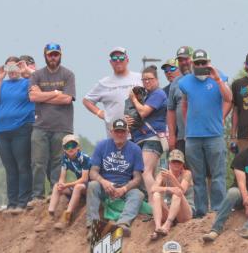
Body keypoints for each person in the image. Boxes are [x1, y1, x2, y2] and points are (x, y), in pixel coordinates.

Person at [178, 49, 232, 218]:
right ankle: (201, 212)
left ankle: (218, 209)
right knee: (198, 176)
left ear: (209, 62)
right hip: (193, 137)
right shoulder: (185, 82)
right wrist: (188, 127)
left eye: (204, 63)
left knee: (218, 175)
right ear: (192, 64)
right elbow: (185, 104)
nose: (201, 66)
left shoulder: (219, 77)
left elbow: (229, 98)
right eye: (198, 63)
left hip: (214, 135)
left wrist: (216, 79)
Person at [203, 124, 248, 241]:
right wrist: (247, 205)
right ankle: (215, 230)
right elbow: (241, 183)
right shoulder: (241, 157)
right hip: (240, 195)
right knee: (232, 192)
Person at [27, 43, 77, 199]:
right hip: (40, 126)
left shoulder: (68, 75)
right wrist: (56, 93)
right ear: (45, 56)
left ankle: (55, 193)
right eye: (50, 54)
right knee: (37, 163)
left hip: (62, 126)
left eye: (56, 54)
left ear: (60, 55)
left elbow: (67, 99)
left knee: (58, 163)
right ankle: (37, 196)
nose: (53, 57)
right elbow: (33, 97)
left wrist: (43, 95)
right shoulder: (36, 75)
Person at [0, 56, 35, 213]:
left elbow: (42, 79)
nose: (12, 71)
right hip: (2, 131)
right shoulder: (2, 84)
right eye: (9, 68)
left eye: (15, 67)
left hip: (21, 128)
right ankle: (12, 202)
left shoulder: (27, 82)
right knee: (10, 168)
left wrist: (26, 71)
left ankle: (23, 201)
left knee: (23, 165)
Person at [86, 119, 145, 236]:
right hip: (105, 186)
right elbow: (93, 172)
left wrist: (125, 189)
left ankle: (123, 224)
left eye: (122, 132)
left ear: (127, 132)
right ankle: (93, 225)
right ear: (111, 132)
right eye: (117, 131)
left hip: (124, 185)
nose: (120, 134)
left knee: (138, 194)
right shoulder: (101, 146)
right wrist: (103, 182)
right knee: (92, 185)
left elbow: (138, 178)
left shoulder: (135, 149)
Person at [128, 66, 168, 194]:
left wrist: (133, 99)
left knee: (146, 171)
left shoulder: (158, 93)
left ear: (156, 79)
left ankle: (154, 203)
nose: (146, 82)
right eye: (144, 80)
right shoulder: (146, 96)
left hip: (152, 137)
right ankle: (152, 200)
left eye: (149, 79)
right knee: (143, 172)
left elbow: (144, 112)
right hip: (140, 138)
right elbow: (136, 115)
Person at [83, 47, 142, 134]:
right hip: (115, 134)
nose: (118, 61)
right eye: (114, 58)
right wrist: (100, 113)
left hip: (139, 133)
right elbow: (86, 101)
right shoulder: (104, 83)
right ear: (110, 62)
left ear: (127, 60)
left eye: (121, 58)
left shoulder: (140, 78)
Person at [47, 134, 90, 230]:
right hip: (80, 185)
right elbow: (62, 177)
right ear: (64, 149)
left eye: (73, 145)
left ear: (78, 147)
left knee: (78, 186)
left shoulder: (84, 158)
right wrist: (61, 184)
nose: (70, 148)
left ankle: (66, 216)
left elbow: (84, 179)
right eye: (67, 146)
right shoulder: (65, 158)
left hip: (90, 187)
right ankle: (50, 214)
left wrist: (67, 185)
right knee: (56, 186)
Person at [149, 149, 193, 239]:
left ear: (183, 163)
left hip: (184, 213)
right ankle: (158, 227)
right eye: (174, 161)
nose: (176, 164)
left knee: (177, 193)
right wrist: (168, 188)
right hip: (169, 210)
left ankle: (167, 226)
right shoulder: (162, 174)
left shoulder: (187, 173)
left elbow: (182, 191)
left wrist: (172, 178)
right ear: (169, 162)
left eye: (179, 162)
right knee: (156, 195)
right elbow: (152, 189)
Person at [167, 46, 194, 153]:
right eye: (180, 60)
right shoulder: (175, 83)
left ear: (192, 59)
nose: (183, 62)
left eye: (186, 59)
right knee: (183, 169)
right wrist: (172, 135)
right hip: (182, 137)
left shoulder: (204, 78)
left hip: (203, 135)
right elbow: (170, 110)